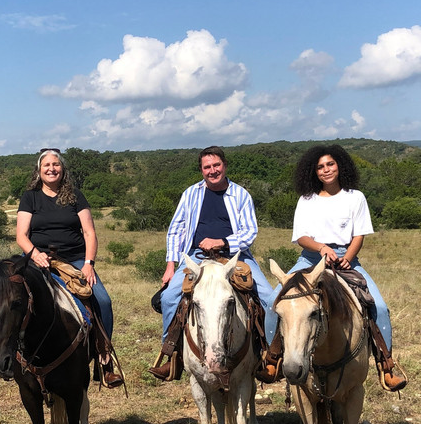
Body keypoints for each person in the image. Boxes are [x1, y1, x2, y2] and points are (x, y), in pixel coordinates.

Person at [282, 144, 407, 391]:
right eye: (320, 167)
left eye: (330, 164)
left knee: (379, 307)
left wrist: (348, 257)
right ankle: (273, 359)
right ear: (313, 172)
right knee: (276, 301)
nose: (326, 170)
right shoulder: (306, 200)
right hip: (310, 258)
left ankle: (386, 365)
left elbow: (359, 234)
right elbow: (301, 237)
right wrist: (321, 248)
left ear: (340, 165)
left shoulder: (355, 197)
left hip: (346, 258)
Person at [148, 146, 275, 380]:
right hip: (196, 257)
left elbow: (250, 232)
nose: (212, 170)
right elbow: (175, 230)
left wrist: (223, 241)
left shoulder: (240, 194)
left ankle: (270, 357)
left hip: (236, 256)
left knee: (270, 298)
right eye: (207, 167)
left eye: (216, 165)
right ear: (201, 170)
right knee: (168, 297)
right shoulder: (191, 194)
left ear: (224, 166)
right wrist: (170, 265)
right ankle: (172, 355)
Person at [16, 148, 123, 387]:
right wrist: (35, 254)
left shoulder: (75, 195)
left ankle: (104, 359)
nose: (52, 168)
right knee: (9, 294)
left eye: (56, 164)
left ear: (62, 169)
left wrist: (88, 264)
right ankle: (5, 354)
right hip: (39, 259)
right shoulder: (30, 197)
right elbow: (21, 235)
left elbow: (89, 232)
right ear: (39, 170)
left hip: (74, 260)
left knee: (103, 300)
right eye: (47, 165)